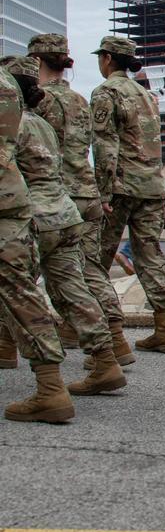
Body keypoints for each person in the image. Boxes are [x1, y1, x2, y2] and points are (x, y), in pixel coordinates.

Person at [0, 56, 126, 396]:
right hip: (65, 213)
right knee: (73, 290)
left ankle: (41, 378)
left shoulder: (14, 124)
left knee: (17, 290)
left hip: (33, 216)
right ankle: (105, 358)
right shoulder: (40, 123)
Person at [25, 33, 134, 366]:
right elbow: (100, 148)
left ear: (37, 61)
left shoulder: (38, 101)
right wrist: (102, 191)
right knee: (87, 270)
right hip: (86, 192)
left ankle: (18, 344)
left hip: (55, 196)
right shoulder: (80, 100)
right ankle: (114, 339)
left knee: (26, 272)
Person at [90, 35, 165, 354]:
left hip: (120, 187)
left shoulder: (106, 92)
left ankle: (108, 334)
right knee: (150, 255)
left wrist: (102, 191)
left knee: (95, 259)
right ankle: (164, 326)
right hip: (152, 186)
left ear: (107, 59)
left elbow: (104, 145)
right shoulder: (147, 95)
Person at [0, 58, 75, 423]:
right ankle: (50, 385)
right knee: (20, 288)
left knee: (20, 288)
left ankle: (50, 388)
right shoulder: (10, 89)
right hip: (19, 201)